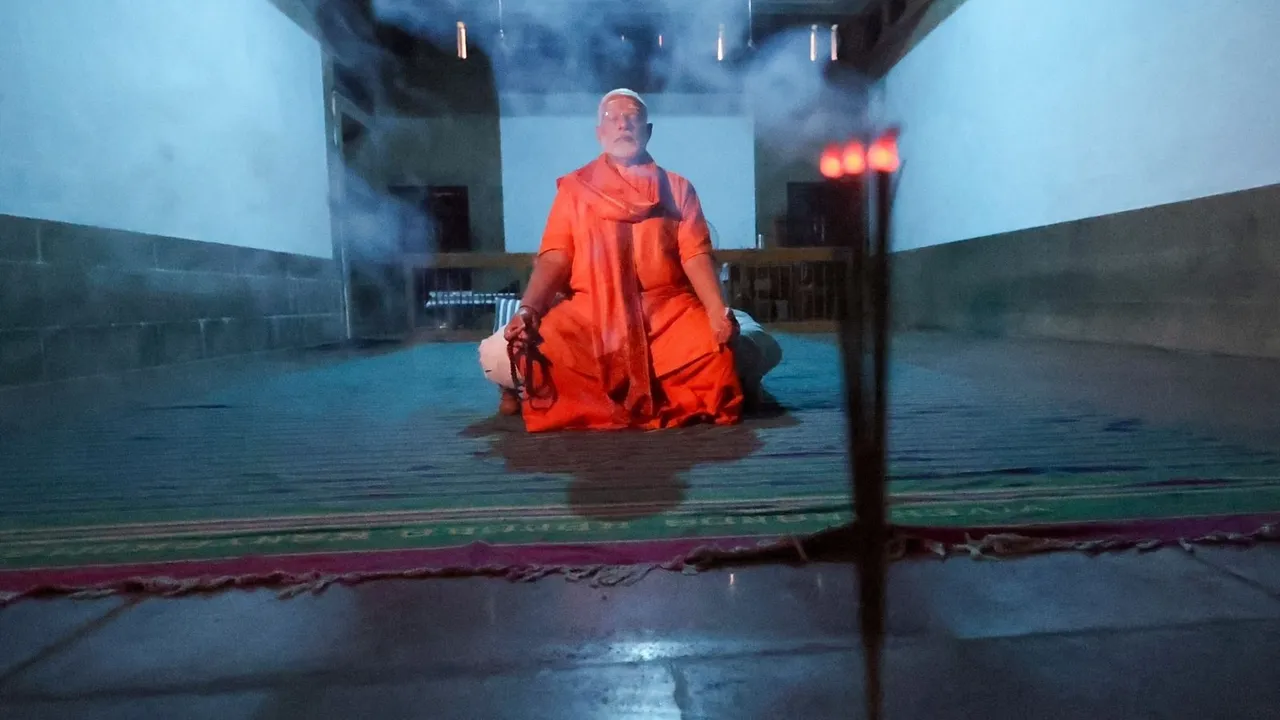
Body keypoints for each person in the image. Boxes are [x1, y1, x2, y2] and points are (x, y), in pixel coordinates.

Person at [478, 89, 779, 432]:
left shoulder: (678, 188)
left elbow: (695, 254)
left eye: (632, 117)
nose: (623, 123)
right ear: (599, 133)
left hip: (666, 311)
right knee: (514, 351)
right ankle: (519, 386)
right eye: (612, 118)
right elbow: (555, 258)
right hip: (591, 313)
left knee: (719, 349)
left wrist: (715, 311)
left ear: (647, 130)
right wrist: (529, 310)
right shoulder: (574, 190)